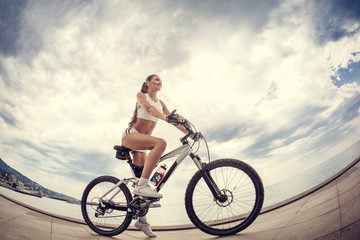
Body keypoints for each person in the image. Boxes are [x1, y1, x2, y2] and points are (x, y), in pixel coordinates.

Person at [121, 74, 188, 237]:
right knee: (161, 143)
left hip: (142, 146)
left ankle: (142, 221)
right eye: (156, 80)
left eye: (161, 81)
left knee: (140, 186)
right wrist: (166, 117)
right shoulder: (141, 96)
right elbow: (150, 109)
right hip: (131, 136)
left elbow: (173, 121)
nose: (159, 82)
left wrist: (190, 132)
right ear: (148, 83)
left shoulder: (161, 103)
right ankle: (143, 184)